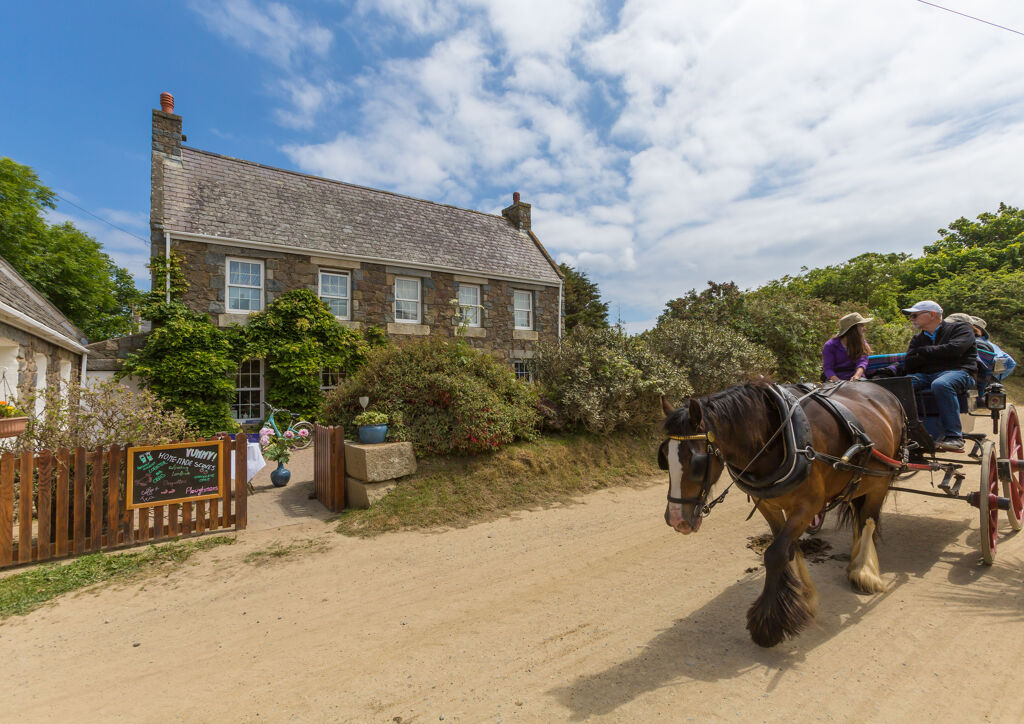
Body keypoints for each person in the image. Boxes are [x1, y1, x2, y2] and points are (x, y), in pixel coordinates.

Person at [902, 301, 976, 451]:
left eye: (915, 315)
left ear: (932, 314)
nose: (912, 319)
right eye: (911, 316)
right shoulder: (918, 339)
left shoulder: (961, 328)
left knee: (941, 384)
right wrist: (940, 353)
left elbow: (956, 349)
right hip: (926, 375)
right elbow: (909, 363)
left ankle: (954, 437)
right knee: (898, 385)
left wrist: (923, 352)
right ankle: (905, 434)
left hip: (959, 372)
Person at [823, 312, 873, 381]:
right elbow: (828, 368)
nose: (865, 329)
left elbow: (862, 362)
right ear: (853, 329)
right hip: (836, 380)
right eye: (862, 325)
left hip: (857, 378)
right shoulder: (830, 346)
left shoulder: (862, 343)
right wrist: (838, 381)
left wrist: (856, 376)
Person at [969, 316, 1016, 381]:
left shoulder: (971, 342)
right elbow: (1011, 363)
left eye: (973, 329)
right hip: (984, 381)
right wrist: (995, 379)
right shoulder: (993, 345)